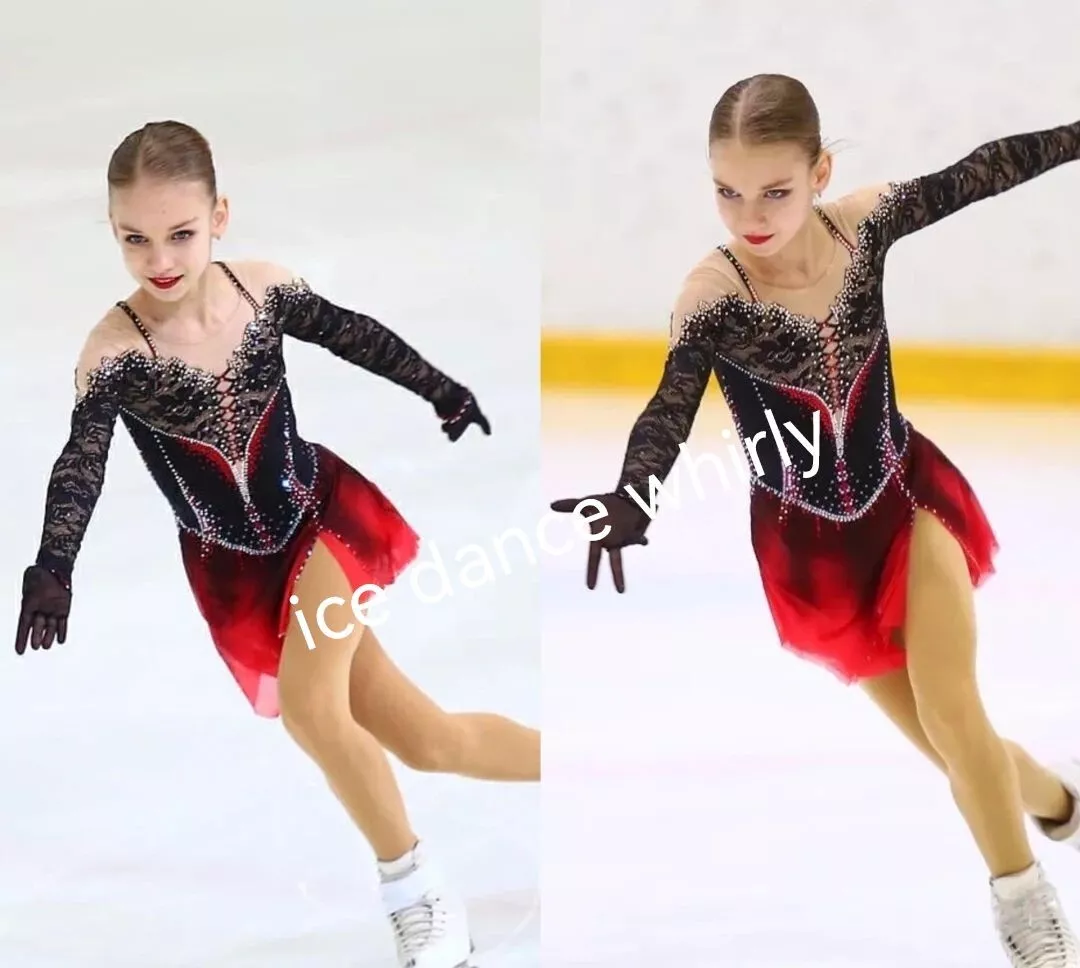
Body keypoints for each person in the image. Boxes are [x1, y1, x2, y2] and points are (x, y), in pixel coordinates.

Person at [550, 73, 1080, 967]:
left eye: (774, 190)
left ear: (821, 171)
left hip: (908, 501)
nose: (748, 213)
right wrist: (631, 495)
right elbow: (668, 410)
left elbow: (983, 170)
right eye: (726, 190)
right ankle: (1065, 806)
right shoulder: (714, 295)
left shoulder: (863, 224)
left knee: (955, 714)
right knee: (962, 750)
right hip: (816, 553)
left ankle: (1029, 919)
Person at [15, 120, 540, 968]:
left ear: (220, 215)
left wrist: (438, 388)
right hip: (235, 570)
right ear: (112, 232)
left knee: (312, 712)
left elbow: (355, 334)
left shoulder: (262, 294)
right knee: (427, 739)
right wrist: (53, 567)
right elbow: (80, 464)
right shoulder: (114, 354)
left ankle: (417, 892)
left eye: (181, 233)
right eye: (135, 239)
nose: (161, 260)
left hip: (320, 523)